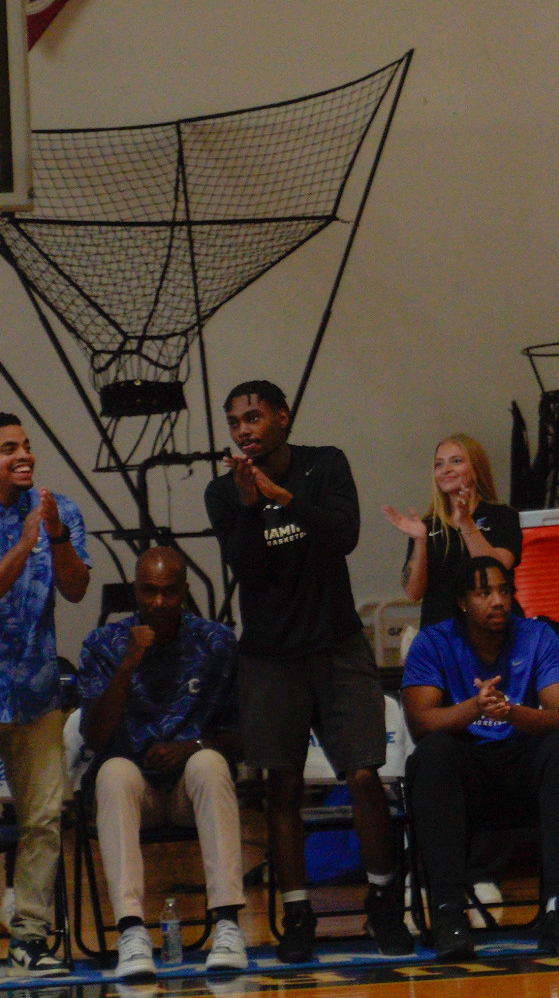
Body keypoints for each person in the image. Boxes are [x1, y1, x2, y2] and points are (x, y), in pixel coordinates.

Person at [203, 380, 411, 961]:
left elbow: (343, 537)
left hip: (338, 646)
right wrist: (251, 505)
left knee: (365, 778)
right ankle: (296, 916)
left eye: (253, 417)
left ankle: (383, 903)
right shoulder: (223, 493)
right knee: (283, 788)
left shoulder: (325, 464)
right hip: (270, 657)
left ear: (282, 418)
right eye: (234, 422)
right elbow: (245, 565)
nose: (243, 430)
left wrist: (281, 495)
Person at [402, 556, 559, 960]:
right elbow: (421, 723)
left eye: (504, 591)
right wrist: (475, 708)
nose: (498, 601)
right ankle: (449, 913)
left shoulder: (538, 636)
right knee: (432, 754)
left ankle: (558, 909)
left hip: (521, 767)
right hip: (465, 772)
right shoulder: (433, 642)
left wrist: (511, 711)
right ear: (461, 602)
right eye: (484, 592)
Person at [77, 547, 248, 979]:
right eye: (149, 592)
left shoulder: (215, 642)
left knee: (209, 763)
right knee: (113, 772)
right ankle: (132, 931)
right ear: (135, 591)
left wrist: (190, 746)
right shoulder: (103, 644)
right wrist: (129, 662)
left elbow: (241, 735)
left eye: (169, 592)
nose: (158, 602)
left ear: (185, 591)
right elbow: (94, 736)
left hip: (190, 790)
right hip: (139, 795)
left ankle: (227, 923)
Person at [0, 411, 91, 975]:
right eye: (10, 448)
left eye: (27, 445)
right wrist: (25, 541)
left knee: (42, 818)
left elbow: (78, 588)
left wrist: (52, 533)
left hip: (36, 692)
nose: (24, 455)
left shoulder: (60, 512)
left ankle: (29, 938)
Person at [383, 434, 520, 628]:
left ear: (476, 467)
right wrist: (421, 542)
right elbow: (413, 593)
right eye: (439, 464)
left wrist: (466, 524)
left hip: (493, 633)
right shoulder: (426, 525)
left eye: (456, 461)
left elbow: (496, 571)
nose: (446, 470)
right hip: (442, 635)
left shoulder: (502, 515)